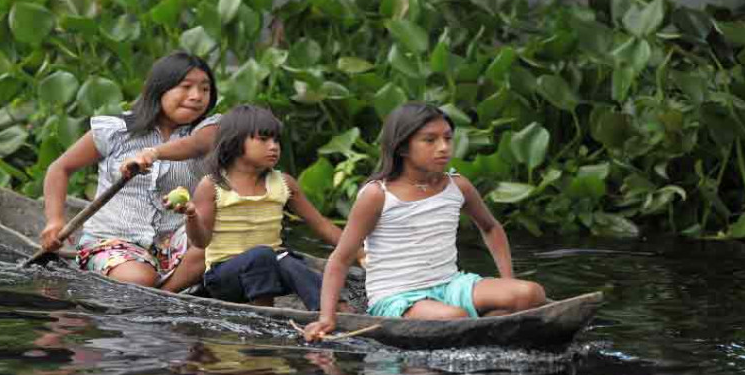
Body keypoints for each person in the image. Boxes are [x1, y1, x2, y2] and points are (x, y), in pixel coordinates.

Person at [302, 102, 546, 341]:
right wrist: (327, 317)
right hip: (397, 297)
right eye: (430, 140)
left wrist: (507, 279)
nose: (444, 147)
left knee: (531, 294)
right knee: (455, 318)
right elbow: (341, 258)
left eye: (448, 138)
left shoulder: (458, 186)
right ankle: (484, 327)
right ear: (402, 148)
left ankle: (484, 328)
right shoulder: (377, 195)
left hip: (451, 285)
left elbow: (490, 227)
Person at [39, 51, 220, 291]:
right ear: (160, 89)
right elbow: (60, 168)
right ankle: (154, 291)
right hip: (114, 240)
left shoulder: (209, 131)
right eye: (186, 87)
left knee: (224, 241)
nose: (197, 96)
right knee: (138, 279)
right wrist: (54, 221)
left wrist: (152, 153)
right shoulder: (117, 130)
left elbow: (197, 145)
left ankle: (164, 294)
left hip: (177, 244)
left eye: (205, 89)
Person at [172, 105, 345, 310]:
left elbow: (321, 224)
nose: (274, 147)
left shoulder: (284, 183)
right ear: (235, 143)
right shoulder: (213, 185)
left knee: (288, 260)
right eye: (263, 140)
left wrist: (359, 253)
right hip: (225, 277)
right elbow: (201, 242)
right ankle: (265, 311)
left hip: (271, 266)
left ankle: (331, 309)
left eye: (276, 140)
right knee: (262, 255)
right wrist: (191, 216)